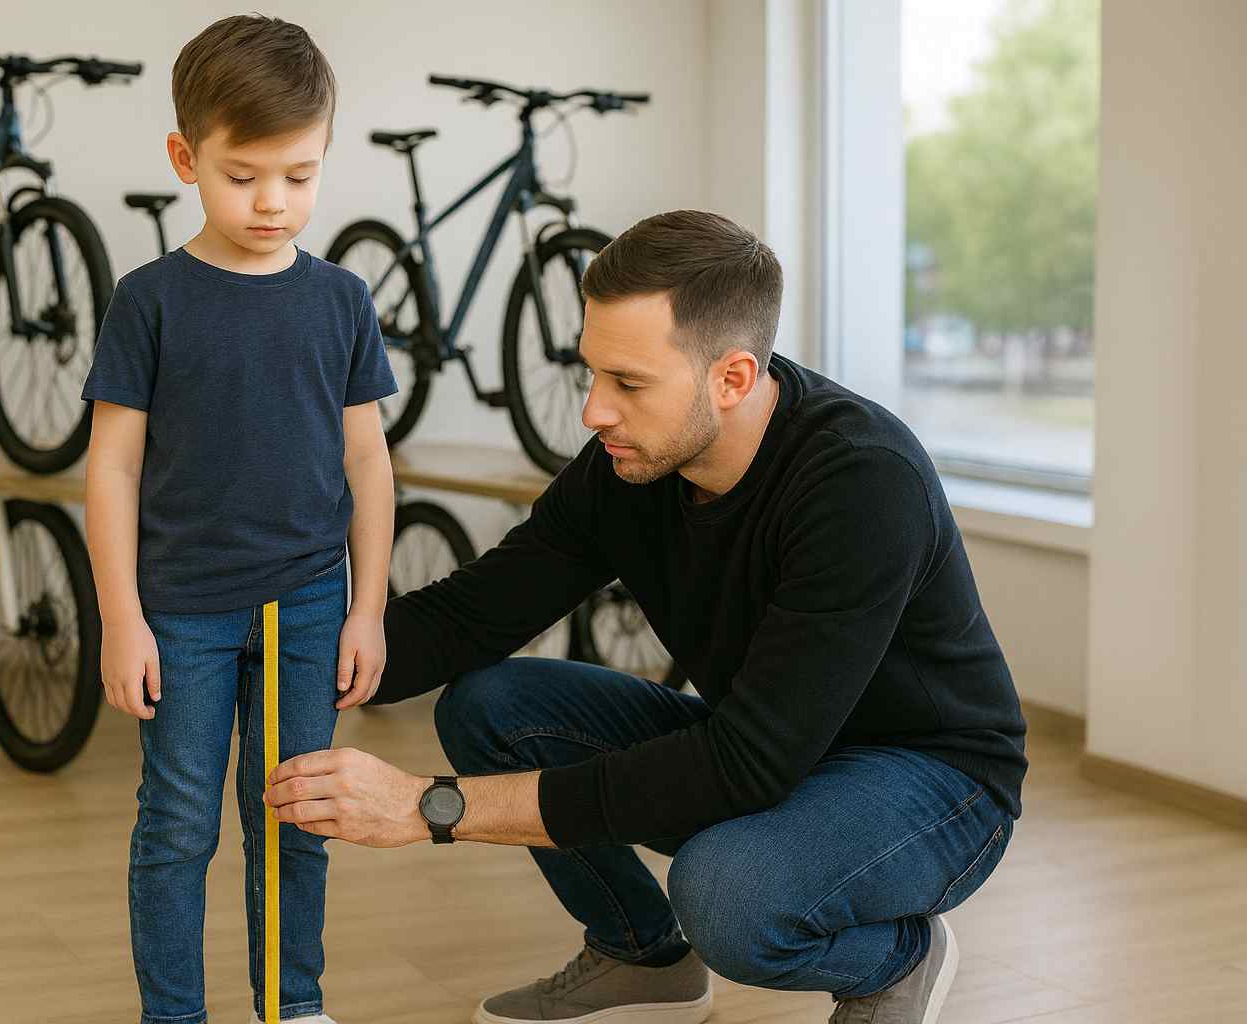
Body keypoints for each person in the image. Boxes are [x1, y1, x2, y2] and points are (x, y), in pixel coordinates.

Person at [266, 210, 1027, 1024]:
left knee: (726, 894)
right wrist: (272, 659)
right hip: (777, 745)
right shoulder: (630, 467)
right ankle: (643, 959)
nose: (594, 412)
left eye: (628, 383)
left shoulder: (861, 484)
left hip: (933, 782)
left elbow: (743, 768)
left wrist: (429, 808)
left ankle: (897, 958)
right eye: (593, 373)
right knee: (494, 706)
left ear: (732, 378)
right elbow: (472, 615)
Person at [82, 15, 397, 1024]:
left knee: (296, 822)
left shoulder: (343, 300)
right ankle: (173, 1014)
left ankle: (291, 1006)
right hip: (181, 610)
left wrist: (368, 609)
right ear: (186, 158)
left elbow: (367, 461)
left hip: (309, 603)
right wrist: (122, 617)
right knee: (178, 827)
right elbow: (113, 467)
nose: (274, 202)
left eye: (299, 176)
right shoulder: (150, 301)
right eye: (244, 174)